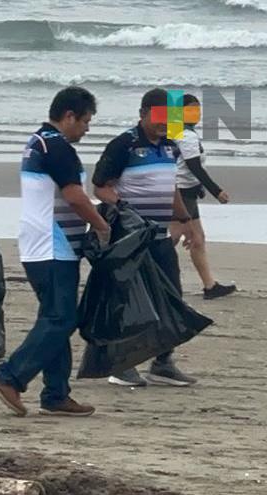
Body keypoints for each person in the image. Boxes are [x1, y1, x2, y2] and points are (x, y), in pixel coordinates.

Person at [0, 87, 111, 418]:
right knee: (61, 318)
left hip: (39, 242)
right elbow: (75, 197)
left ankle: (56, 393)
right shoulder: (57, 147)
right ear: (68, 116)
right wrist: (101, 226)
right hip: (53, 246)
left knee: (53, 317)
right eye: (85, 121)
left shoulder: (37, 142)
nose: (87, 128)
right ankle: (9, 376)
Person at [93, 88, 198, 388]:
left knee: (171, 296)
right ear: (143, 113)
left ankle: (163, 363)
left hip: (161, 236)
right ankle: (121, 365)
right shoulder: (124, 144)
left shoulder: (170, 146)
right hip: (131, 239)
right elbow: (100, 188)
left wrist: (185, 220)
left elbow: (170, 186)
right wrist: (123, 210)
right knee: (130, 302)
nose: (166, 122)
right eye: (160, 115)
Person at [170, 93, 236, 300]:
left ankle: (210, 286)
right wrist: (216, 191)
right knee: (172, 238)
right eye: (190, 109)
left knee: (197, 238)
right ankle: (139, 273)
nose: (196, 113)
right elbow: (194, 167)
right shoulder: (186, 135)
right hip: (180, 193)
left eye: (198, 109)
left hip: (187, 190)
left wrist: (199, 188)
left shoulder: (178, 130)